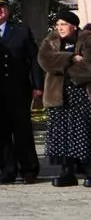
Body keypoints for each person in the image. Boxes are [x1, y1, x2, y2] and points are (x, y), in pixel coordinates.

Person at [0, 0, 42, 184]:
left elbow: (33, 59)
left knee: (22, 131)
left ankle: (29, 169)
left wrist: (37, 85)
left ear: (7, 9)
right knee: (1, 132)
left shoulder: (21, 30)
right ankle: (7, 169)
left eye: (2, 7)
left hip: (18, 88)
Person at [38, 10, 91, 188]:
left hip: (81, 93)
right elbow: (45, 60)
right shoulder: (51, 40)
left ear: (74, 26)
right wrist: (70, 58)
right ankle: (66, 172)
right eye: (58, 24)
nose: (60, 28)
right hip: (57, 93)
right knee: (61, 135)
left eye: (64, 24)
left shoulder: (86, 39)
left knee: (83, 132)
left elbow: (89, 66)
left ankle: (88, 170)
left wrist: (64, 67)